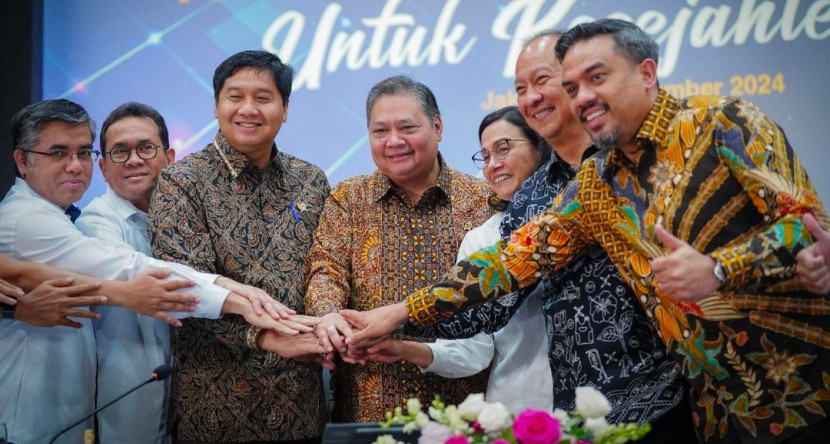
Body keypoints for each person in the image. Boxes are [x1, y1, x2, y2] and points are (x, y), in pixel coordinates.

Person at [344, 19, 830, 443]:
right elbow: (511, 262)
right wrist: (404, 311)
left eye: (595, 78)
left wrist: (720, 269)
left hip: (800, 385)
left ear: (646, 72)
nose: (583, 98)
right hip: (714, 410)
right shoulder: (599, 182)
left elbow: (808, 229)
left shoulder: (724, 122)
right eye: (573, 86)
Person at [0, 98, 321, 444]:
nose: (75, 166)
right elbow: (129, 269)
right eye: (59, 153)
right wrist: (234, 296)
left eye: (81, 153)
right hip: (63, 418)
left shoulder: (65, 216)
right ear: (22, 161)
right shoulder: (48, 220)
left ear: (170, 159)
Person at [148, 50, 331, 443]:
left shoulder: (310, 181)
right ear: (216, 106)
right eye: (235, 97)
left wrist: (329, 324)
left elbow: (325, 270)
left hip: (300, 405)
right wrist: (266, 338)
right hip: (213, 406)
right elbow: (186, 288)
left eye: (263, 98)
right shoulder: (181, 183)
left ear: (285, 109)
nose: (249, 109)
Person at [303, 75, 491, 422]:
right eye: (380, 131)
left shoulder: (483, 201)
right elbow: (325, 267)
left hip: (466, 411)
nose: (393, 141)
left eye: (407, 127)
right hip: (368, 404)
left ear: (437, 126)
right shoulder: (350, 198)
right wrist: (328, 316)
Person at [364, 106, 553, 414]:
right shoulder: (482, 239)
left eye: (503, 149)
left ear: (540, 145)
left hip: (600, 403)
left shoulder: (575, 212)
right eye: (486, 156)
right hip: (517, 410)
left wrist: (401, 315)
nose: (493, 164)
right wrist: (402, 347)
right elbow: (474, 349)